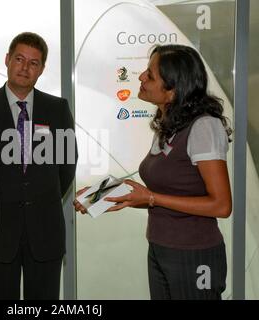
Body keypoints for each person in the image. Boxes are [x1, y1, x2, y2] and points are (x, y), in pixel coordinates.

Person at [75, 44, 232, 300]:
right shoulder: (168, 125)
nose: (140, 77)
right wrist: (101, 195)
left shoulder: (204, 127)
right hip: (161, 248)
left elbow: (221, 205)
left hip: (194, 254)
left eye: (150, 74)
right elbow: (160, 191)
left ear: (172, 90)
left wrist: (151, 199)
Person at [0, 32, 77, 300]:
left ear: (42, 69)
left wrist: (39, 196)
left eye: (34, 63)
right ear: (7, 60)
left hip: (45, 231)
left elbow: (67, 164)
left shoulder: (57, 108)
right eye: (19, 59)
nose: (25, 67)